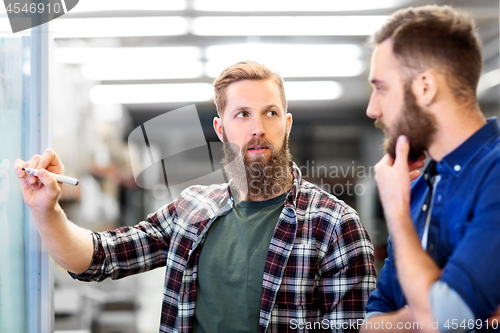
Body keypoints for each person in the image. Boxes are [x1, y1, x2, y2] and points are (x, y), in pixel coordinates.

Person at [15, 61, 376, 333]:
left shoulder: (334, 225)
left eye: (271, 113)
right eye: (242, 114)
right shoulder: (192, 209)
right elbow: (98, 257)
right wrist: (47, 211)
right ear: (221, 129)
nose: (258, 128)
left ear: (288, 123)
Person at [362, 5, 500, 333]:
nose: (372, 108)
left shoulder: (494, 174)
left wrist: (395, 210)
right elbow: (370, 323)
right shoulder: (419, 186)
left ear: (425, 87)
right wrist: (422, 314)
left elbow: (440, 322)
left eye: (381, 88)